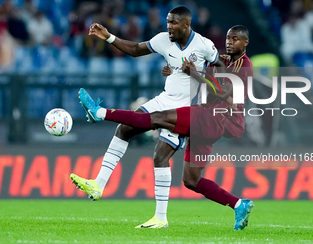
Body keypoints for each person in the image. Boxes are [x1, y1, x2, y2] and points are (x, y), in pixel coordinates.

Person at [72, 25, 254, 230]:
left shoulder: (244, 66)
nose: (230, 42)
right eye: (228, 38)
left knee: (156, 118)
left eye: (235, 39)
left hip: (213, 118)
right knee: (191, 180)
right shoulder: (222, 59)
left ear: (246, 42)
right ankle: (240, 204)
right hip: (207, 119)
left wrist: (193, 74)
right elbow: (201, 76)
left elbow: (225, 94)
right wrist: (176, 71)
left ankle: (99, 112)